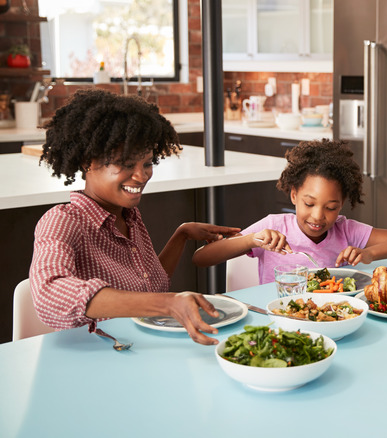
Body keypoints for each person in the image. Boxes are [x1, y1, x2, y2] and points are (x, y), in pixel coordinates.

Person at [31, 89, 241, 345]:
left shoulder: (130, 217)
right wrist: (166, 304)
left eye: (147, 163)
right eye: (126, 164)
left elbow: (151, 287)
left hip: (136, 347)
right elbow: (49, 294)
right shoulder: (63, 221)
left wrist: (182, 234)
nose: (141, 176)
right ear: (87, 161)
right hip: (96, 355)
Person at [192, 139, 387, 283]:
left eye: (331, 207)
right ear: (293, 195)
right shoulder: (274, 226)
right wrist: (252, 240)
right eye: (309, 204)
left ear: (341, 204)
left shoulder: (347, 231)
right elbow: (201, 257)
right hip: (277, 319)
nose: (318, 216)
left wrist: (369, 254)